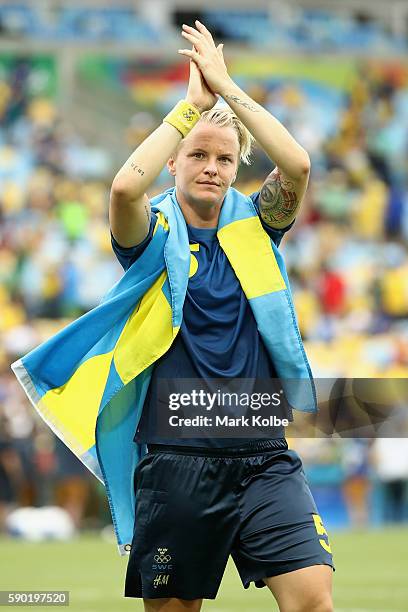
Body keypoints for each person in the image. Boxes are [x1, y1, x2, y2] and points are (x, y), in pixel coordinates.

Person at [110, 21, 334, 612]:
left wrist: (226, 87)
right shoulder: (150, 238)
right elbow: (123, 190)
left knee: (314, 599)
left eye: (225, 159)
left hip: (265, 455)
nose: (211, 166)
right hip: (177, 462)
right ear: (174, 163)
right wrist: (189, 110)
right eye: (199, 155)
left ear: (238, 170)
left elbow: (299, 165)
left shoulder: (258, 227)